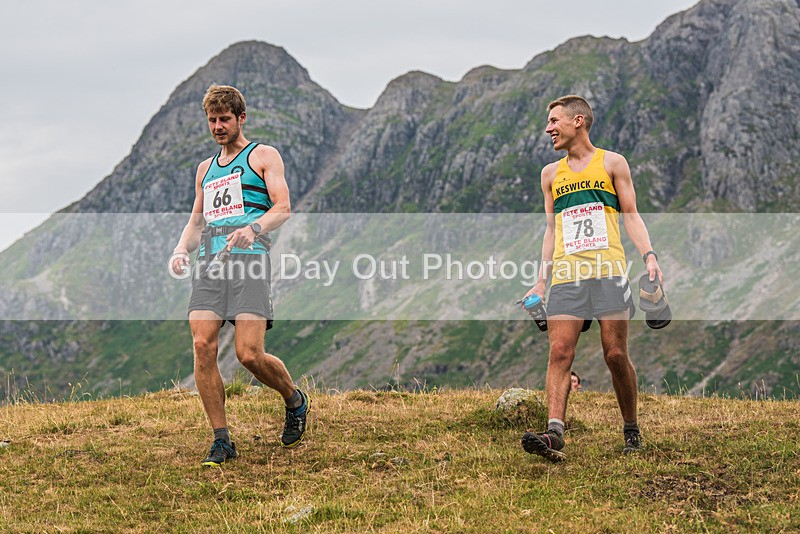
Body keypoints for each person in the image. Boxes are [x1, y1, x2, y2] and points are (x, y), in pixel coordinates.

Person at [170, 84, 309, 466]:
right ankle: (222, 440)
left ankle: (294, 400)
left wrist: (255, 228)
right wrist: (181, 249)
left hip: (249, 260)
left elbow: (283, 207)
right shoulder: (205, 169)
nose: (218, 126)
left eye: (224, 119)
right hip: (210, 264)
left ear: (240, 118)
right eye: (212, 120)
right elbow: (197, 221)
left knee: (248, 354)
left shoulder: (263, 155)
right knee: (203, 345)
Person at [520, 95, 663, 462]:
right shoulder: (550, 174)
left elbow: (630, 214)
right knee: (560, 352)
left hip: (608, 272)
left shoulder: (613, 163)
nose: (548, 129)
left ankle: (631, 428)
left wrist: (649, 256)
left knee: (615, 354)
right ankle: (554, 432)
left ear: (578, 121)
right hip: (567, 275)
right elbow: (551, 230)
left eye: (554, 121)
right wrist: (541, 282)